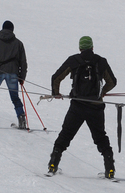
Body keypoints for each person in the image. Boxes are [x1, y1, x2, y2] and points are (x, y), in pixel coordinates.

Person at [47, 36, 118, 178]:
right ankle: (110, 169)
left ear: (80, 48)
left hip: (77, 105)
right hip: (95, 107)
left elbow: (56, 77)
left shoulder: (74, 60)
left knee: (66, 134)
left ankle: (53, 164)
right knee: (101, 137)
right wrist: (101, 93)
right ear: (92, 47)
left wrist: (56, 93)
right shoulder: (100, 61)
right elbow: (112, 81)